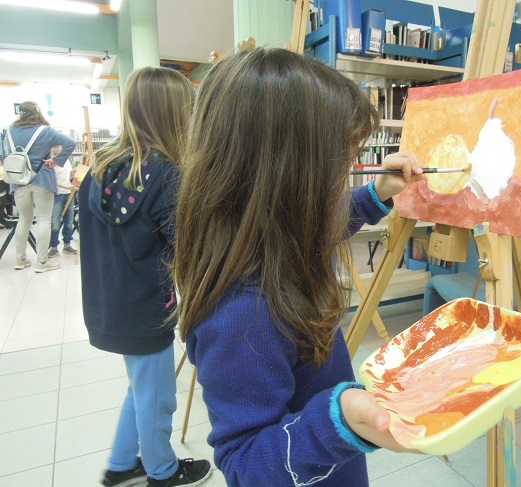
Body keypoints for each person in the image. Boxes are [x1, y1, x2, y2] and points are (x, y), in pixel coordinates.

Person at [172, 48, 427, 487]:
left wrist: (377, 193)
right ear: (289, 182)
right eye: (338, 169)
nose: (344, 178)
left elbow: (321, 225)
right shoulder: (243, 317)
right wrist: (338, 421)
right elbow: (244, 464)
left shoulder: (267, 238)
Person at [78, 66, 212, 487]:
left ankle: (121, 465)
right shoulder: (168, 177)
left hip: (106, 305)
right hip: (145, 311)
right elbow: (188, 251)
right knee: (157, 398)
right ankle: (162, 472)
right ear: (178, 115)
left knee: (141, 387)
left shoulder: (99, 169)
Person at [3, 101, 76, 272]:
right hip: (42, 178)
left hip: (18, 180)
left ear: (20, 113)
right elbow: (70, 142)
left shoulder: (10, 130)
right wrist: (56, 161)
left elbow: (5, 153)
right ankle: (42, 262)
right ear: (38, 111)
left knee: (24, 219)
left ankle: (20, 260)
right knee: (43, 219)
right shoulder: (45, 130)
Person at [47, 144, 77, 257]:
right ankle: (54, 247)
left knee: (69, 222)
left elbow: (68, 177)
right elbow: (52, 181)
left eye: (61, 153)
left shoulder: (66, 161)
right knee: (55, 223)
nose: (59, 156)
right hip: (58, 195)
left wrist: (73, 174)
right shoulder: (51, 164)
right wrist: (67, 187)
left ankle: (67, 245)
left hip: (69, 194)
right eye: (56, 154)